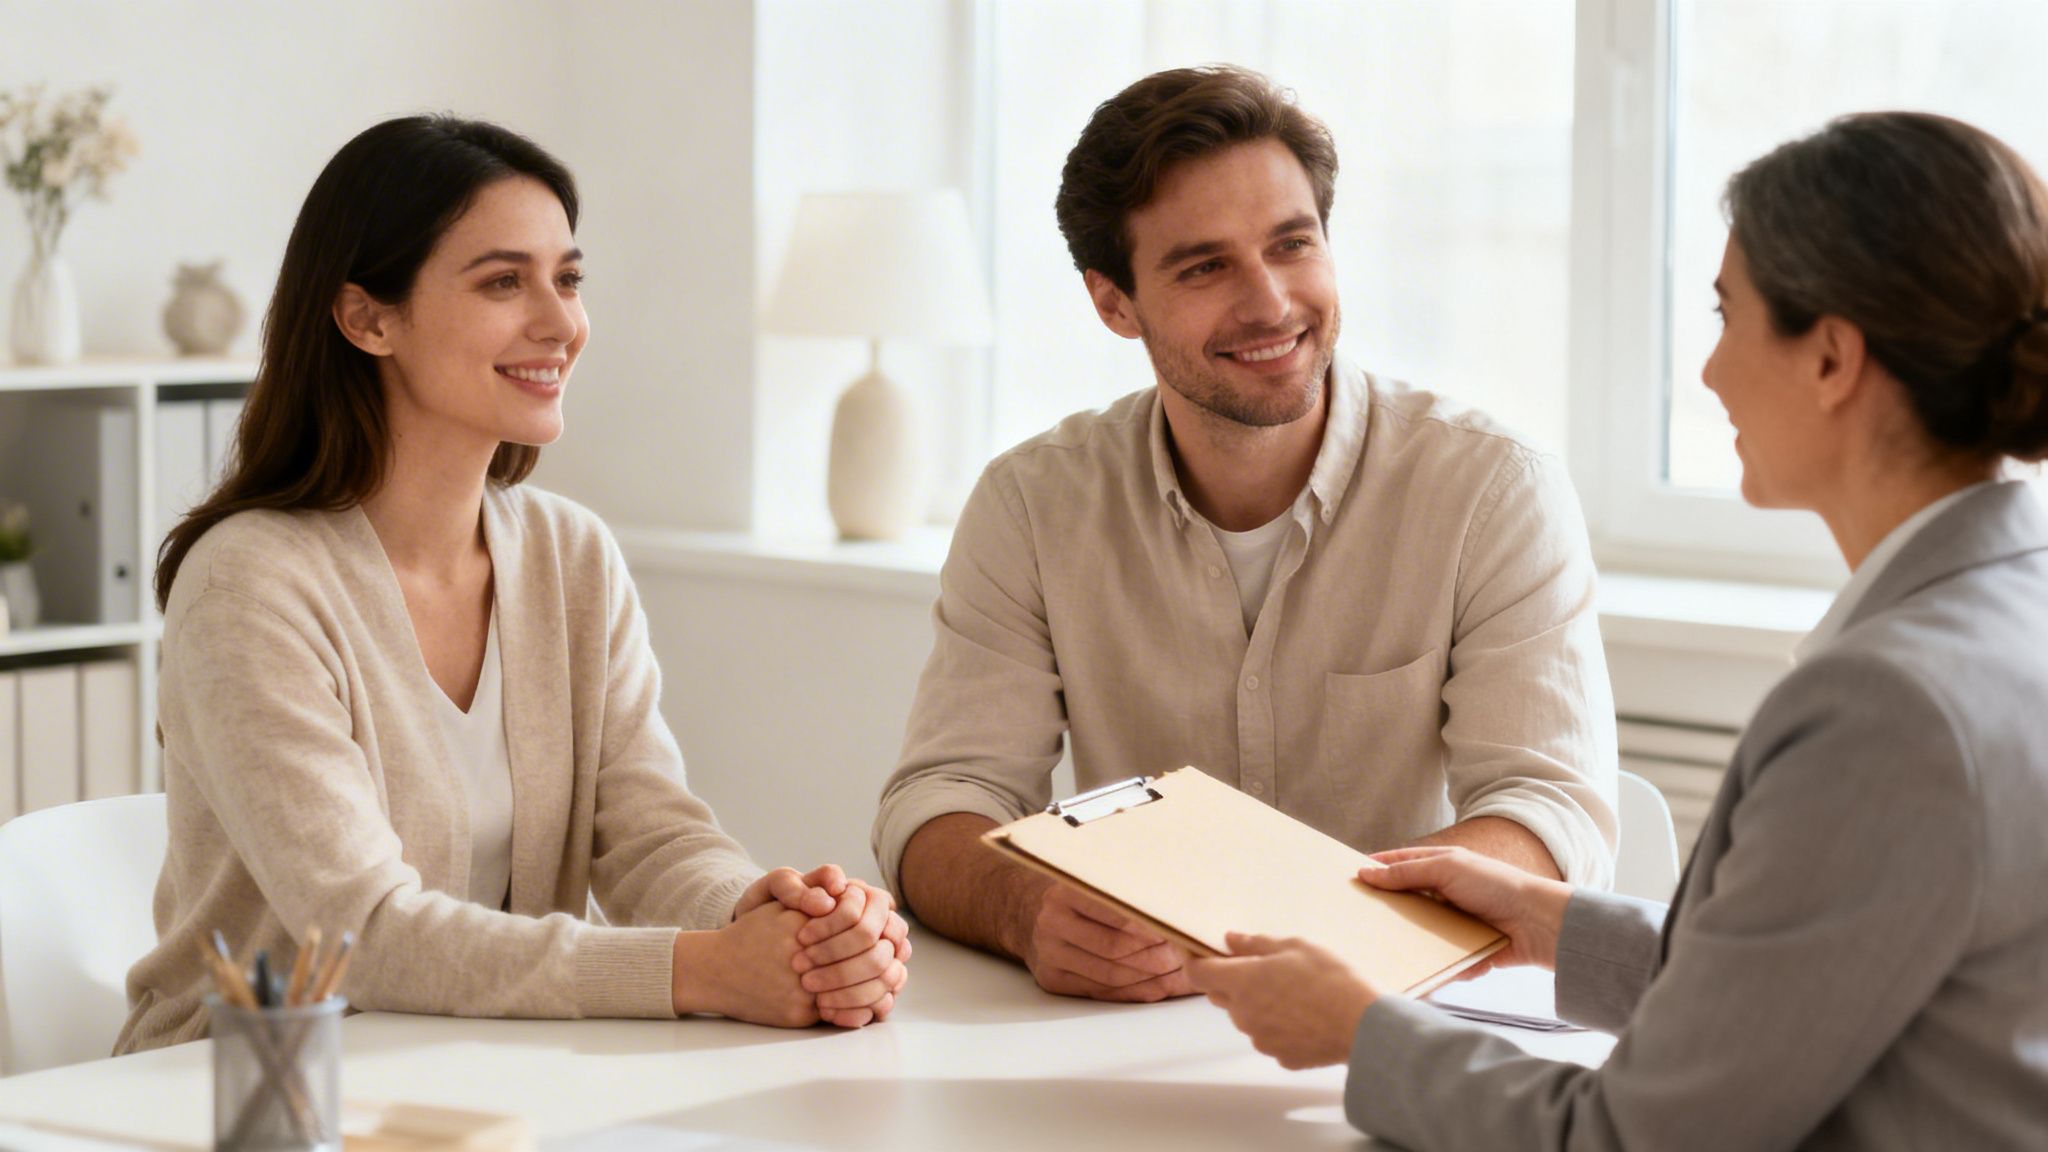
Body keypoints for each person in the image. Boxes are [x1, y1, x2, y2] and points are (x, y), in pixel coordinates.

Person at [1188, 110, 2048, 1150]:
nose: (1707, 374)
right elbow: (1817, 985)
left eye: (1726, 317)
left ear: (1829, 359)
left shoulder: (1888, 707)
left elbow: (1634, 1137)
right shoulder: (2005, 610)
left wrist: (1360, 1032)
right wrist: (1549, 926)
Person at [119, 116, 909, 1054]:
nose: (561, 323)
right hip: (247, 1092)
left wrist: (774, 917)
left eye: (567, 279)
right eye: (504, 282)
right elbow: (362, 933)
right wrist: (703, 970)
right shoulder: (249, 585)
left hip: (483, 1075)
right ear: (368, 318)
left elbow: (650, 835)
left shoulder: (571, 555)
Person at [873, 65, 1618, 1004]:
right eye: (1204, 266)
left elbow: (1546, 815)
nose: (1269, 304)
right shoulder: (1031, 504)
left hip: (1401, 1018)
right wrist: (1026, 910)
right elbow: (940, 800)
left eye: (1291, 244)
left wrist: (1311, 930)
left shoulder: (1490, 488)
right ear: (1114, 303)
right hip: (1121, 1037)